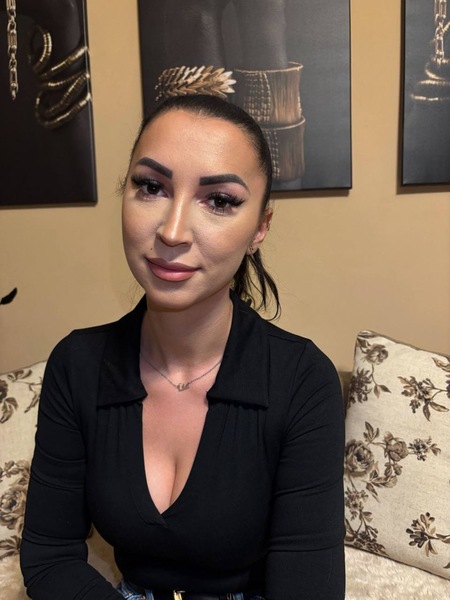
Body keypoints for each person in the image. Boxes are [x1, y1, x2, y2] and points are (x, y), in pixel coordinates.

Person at [20, 94, 345, 599]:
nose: (172, 232)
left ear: (260, 228)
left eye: (219, 201)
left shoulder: (302, 380)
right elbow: (49, 557)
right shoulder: (77, 366)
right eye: (151, 187)